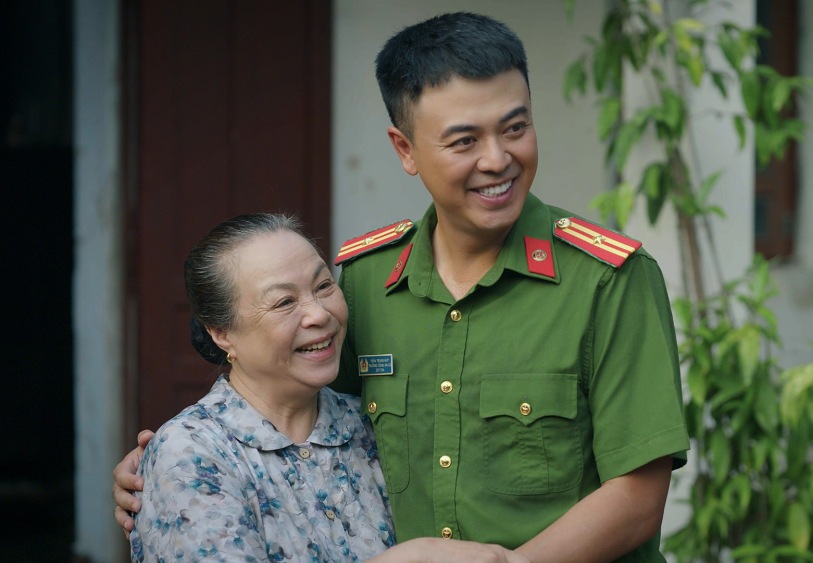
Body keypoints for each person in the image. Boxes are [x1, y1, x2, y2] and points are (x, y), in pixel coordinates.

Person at [116, 12, 689, 561]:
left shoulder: (608, 280)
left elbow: (638, 498)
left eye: (515, 128)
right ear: (406, 150)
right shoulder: (364, 281)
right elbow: (299, 417)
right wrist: (173, 467)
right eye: (464, 141)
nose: (498, 159)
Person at [127, 212, 526, 563]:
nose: (319, 314)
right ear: (221, 333)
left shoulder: (368, 423)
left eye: (323, 286)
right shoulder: (193, 454)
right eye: (284, 303)